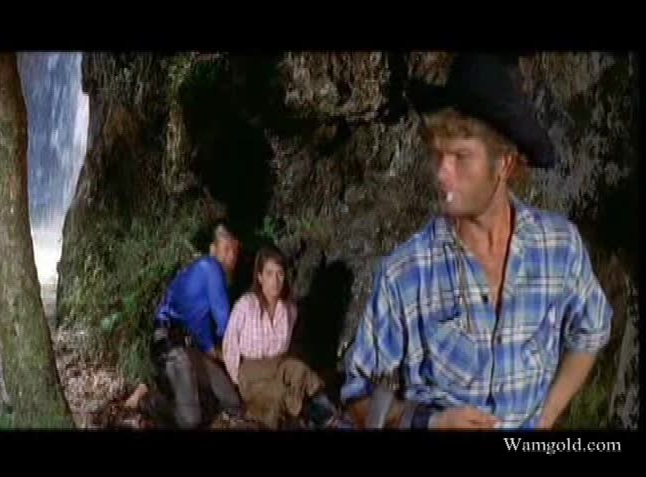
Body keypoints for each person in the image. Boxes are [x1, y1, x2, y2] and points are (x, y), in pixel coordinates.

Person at [341, 54, 613, 430]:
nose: (442, 173)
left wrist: (546, 417)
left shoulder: (559, 247)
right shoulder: (405, 273)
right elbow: (359, 396)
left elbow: (592, 331)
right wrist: (431, 422)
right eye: (438, 155)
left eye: (460, 156)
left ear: (504, 164)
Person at [125, 222, 244, 428]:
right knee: (190, 421)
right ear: (212, 250)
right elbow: (225, 325)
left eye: (235, 250)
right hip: (170, 343)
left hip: (189, 347)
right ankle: (148, 400)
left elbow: (201, 323)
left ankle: (159, 386)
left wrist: (214, 350)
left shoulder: (207, 277)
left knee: (232, 401)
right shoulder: (210, 267)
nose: (231, 256)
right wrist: (237, 356)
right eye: (226, 249)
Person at [222, 245, 349, 429]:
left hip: (279, 366)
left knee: (298, 369)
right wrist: (237, 381)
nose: (275, 281)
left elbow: (291, 351)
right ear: (260, 277)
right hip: (250, 371)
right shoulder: (246, 305)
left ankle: (329, 413)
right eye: (269, 274)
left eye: (279, 274)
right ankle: (315, 415)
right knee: (281, 390)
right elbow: (230, 344)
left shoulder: (289, 310)